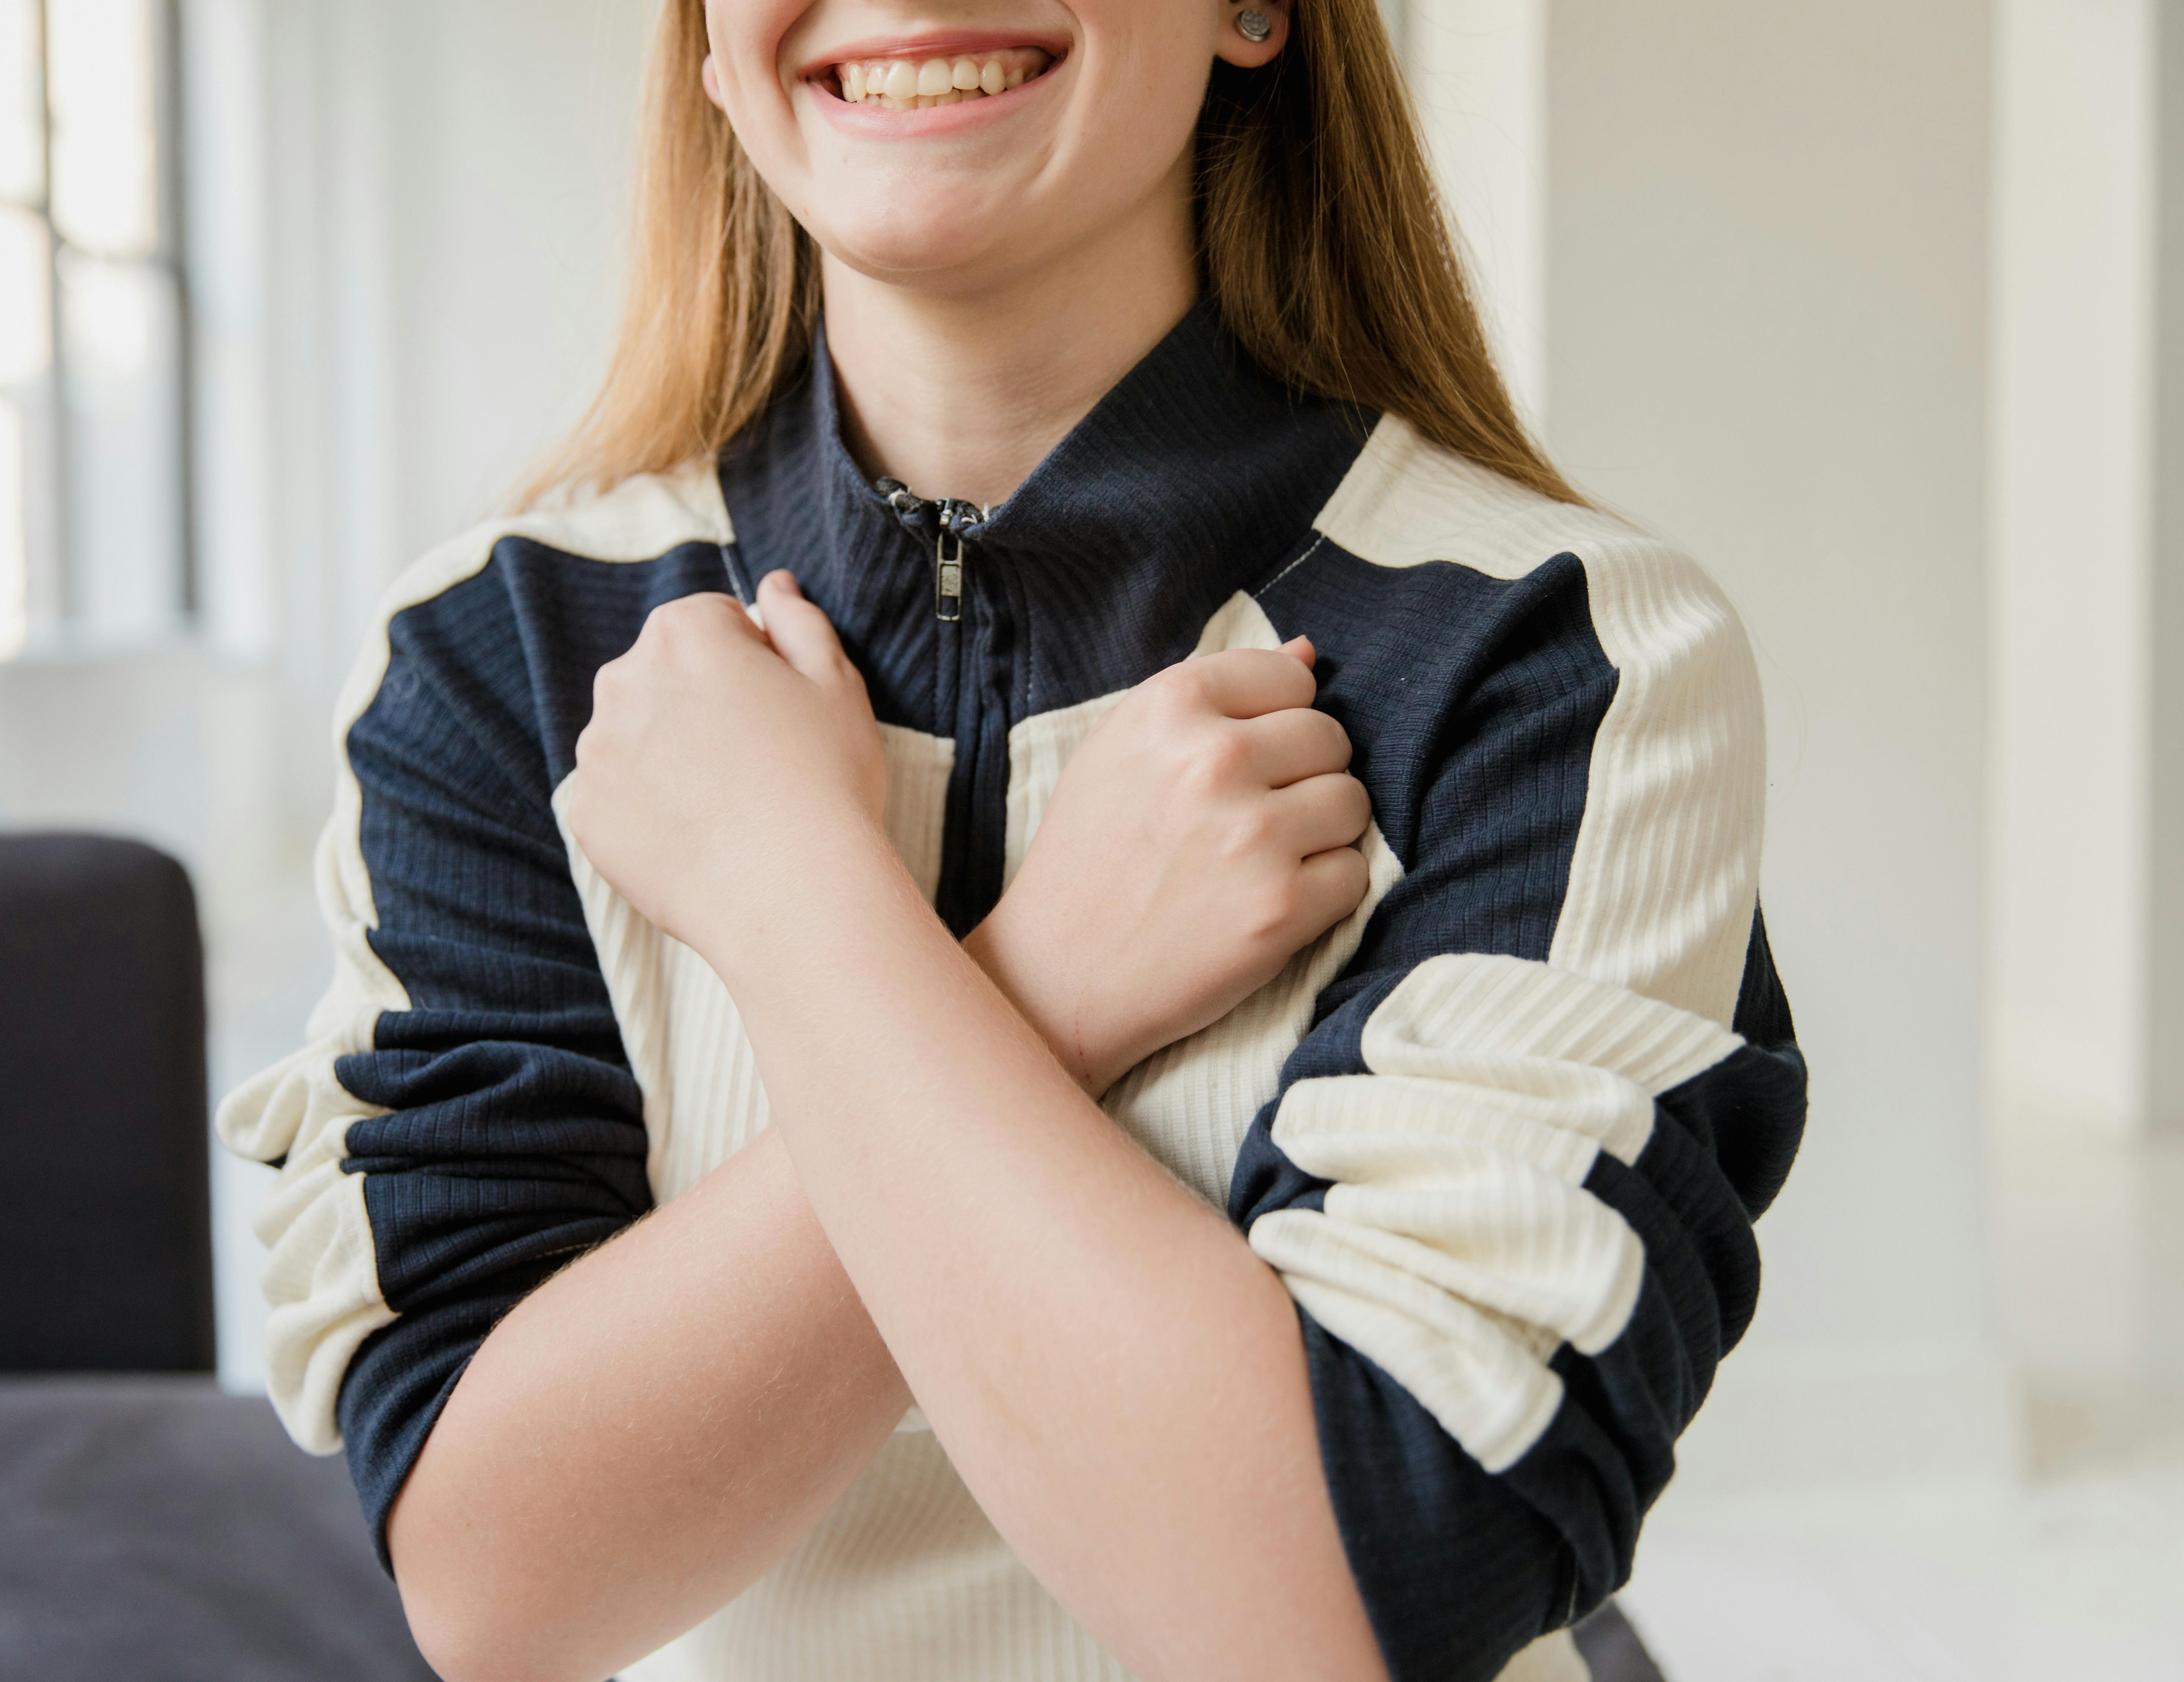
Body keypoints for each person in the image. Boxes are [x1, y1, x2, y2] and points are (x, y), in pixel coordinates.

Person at [217, 2, 1808, 1679]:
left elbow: (1336, 1612)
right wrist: (1037, 981)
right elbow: (498, 1584)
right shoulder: (500, 656)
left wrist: (795, 895)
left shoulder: (1562, 651)